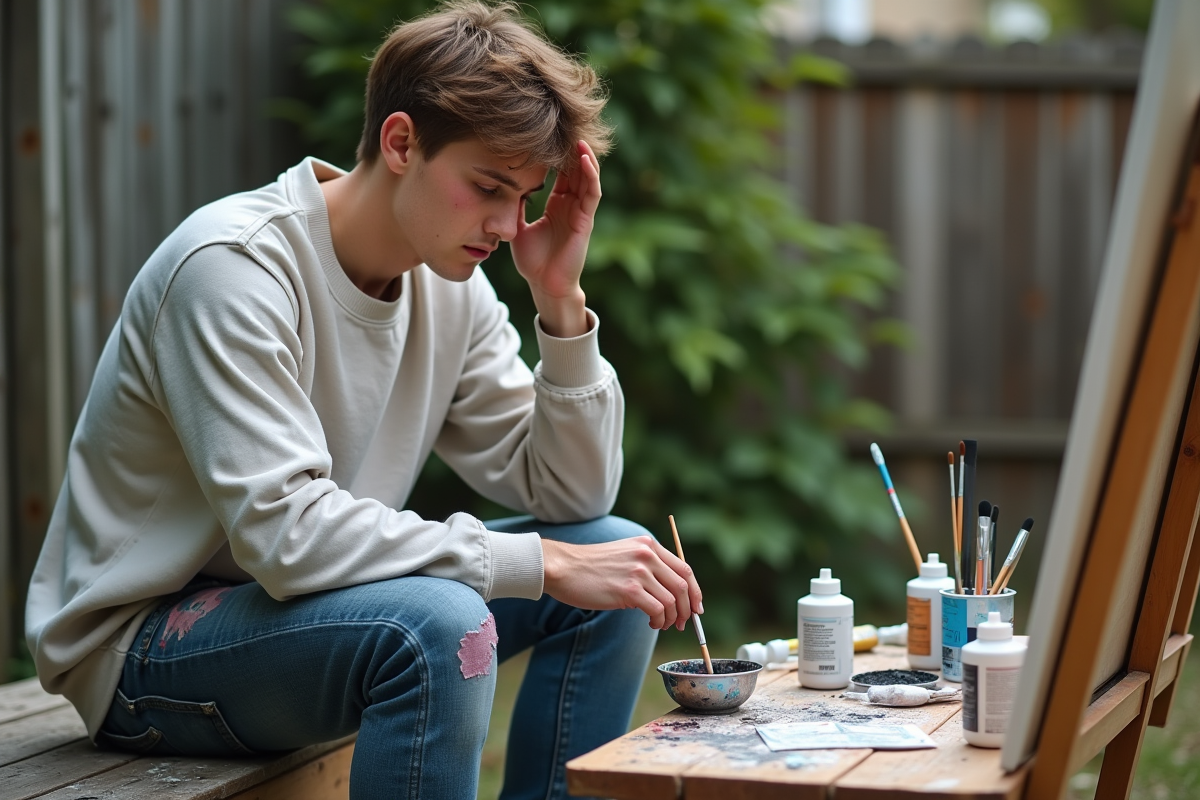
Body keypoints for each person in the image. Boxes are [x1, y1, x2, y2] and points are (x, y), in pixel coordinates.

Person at [24, 2, 702, 798]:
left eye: (525, 196)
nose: (507, 225)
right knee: (440, 627)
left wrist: (559, 301)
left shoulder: (452, 289)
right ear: (401, 142)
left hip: (318, 615)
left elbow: (574, 497)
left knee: (624, 566)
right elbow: (288, 536)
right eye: (488, 186)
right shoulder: (234, 267)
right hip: (143, 649)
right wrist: (541, 563)